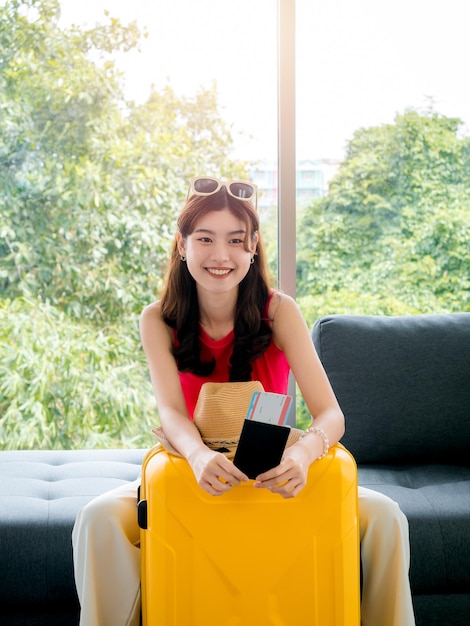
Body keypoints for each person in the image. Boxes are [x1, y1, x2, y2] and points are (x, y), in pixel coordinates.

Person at [72, 176, 415, 626]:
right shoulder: (156, 319)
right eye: (205, 239)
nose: (221, 255)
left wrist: (305, 455)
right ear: (181, 245)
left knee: (388, 517)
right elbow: (171, 413)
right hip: (194, 466)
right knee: (97, 520)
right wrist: (196, 456)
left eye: (236, 240)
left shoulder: (279, 310)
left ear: (253, 247)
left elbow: (331, 414)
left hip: (276, 468)